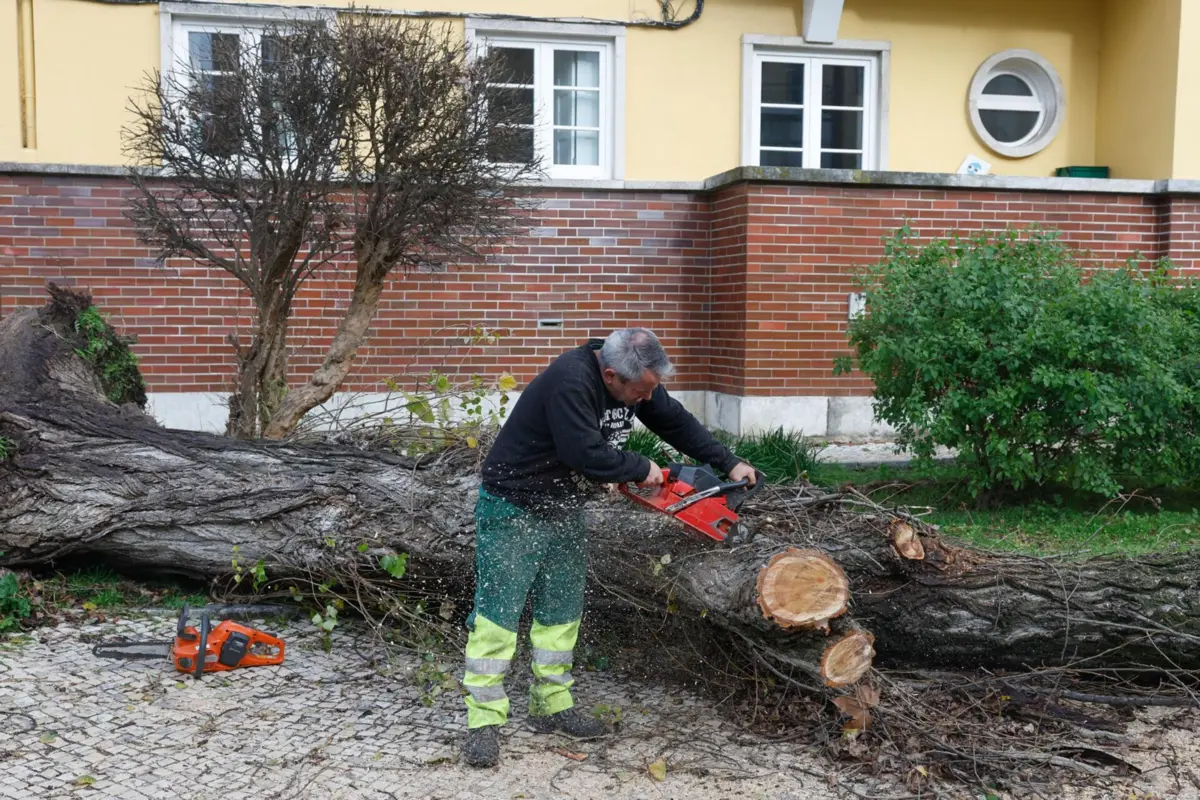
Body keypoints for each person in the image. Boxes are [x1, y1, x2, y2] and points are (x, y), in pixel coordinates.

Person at [461, 327, 756, 768]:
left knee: (561, 610)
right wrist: (641, 467)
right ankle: (482, 722)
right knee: (498, 615)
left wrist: (726, 461)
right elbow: (583, 451)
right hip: (515, 506)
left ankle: (551, 705)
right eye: (638, 392)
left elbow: (672, 418)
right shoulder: (571, 380)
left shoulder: (637, 380)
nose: (643, 400)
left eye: (649, 391)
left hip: (563, 505)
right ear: (612, 375)